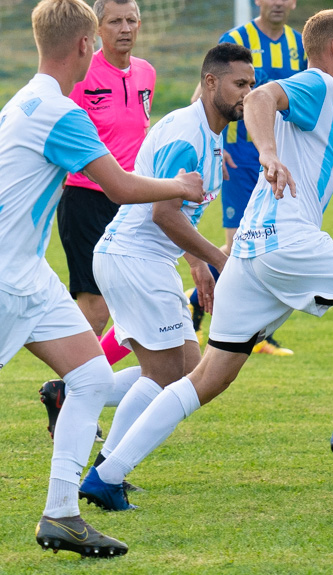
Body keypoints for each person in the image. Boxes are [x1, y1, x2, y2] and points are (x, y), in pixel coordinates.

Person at [73, 9, 333, 512]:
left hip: (248, 250)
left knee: (205, 378)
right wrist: (266, 152)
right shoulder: (318, 85)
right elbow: (264, 96)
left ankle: (106, 475)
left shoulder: (320, 116)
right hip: (288, 243)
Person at [0, 0, 203, 557]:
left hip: (27, 274)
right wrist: (181, 187)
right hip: (7, 278)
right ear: (87, 45)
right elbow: (118, 186)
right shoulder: (59, 113)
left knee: (89, 376)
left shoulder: (26, 100)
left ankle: (62, 515)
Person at [76, 44, 256, 511]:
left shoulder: (210, 133)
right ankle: (106, 471)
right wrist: (220, 259)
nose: (248, 95)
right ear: (211, 83)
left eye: (252, 85)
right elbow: (163, 213)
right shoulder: (187, 134)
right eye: (240, 84)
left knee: (188, 369)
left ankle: (89, 427)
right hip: (135, 259)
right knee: (166, 376)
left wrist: (198, 265)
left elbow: (181, 214)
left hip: (145, 261)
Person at [39, 0, 152, 442]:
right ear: (97, 30)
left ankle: (68, 391)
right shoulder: (83, 79)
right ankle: (75, 391)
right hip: (87, 198)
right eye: (115, 22)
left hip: (131, 201)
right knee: (96, 305)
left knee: (127, 304)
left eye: (131, 21)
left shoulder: (146, 73)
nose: (124, 29)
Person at [186, 0, 306, 356]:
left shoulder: (300, 44)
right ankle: (241, 326)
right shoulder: (237, 38)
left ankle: (200, 306)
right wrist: (208, 141)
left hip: (279, 155)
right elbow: (207, 92)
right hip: (239, 155)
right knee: (242, 242)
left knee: (264, 241)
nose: (279, 3)